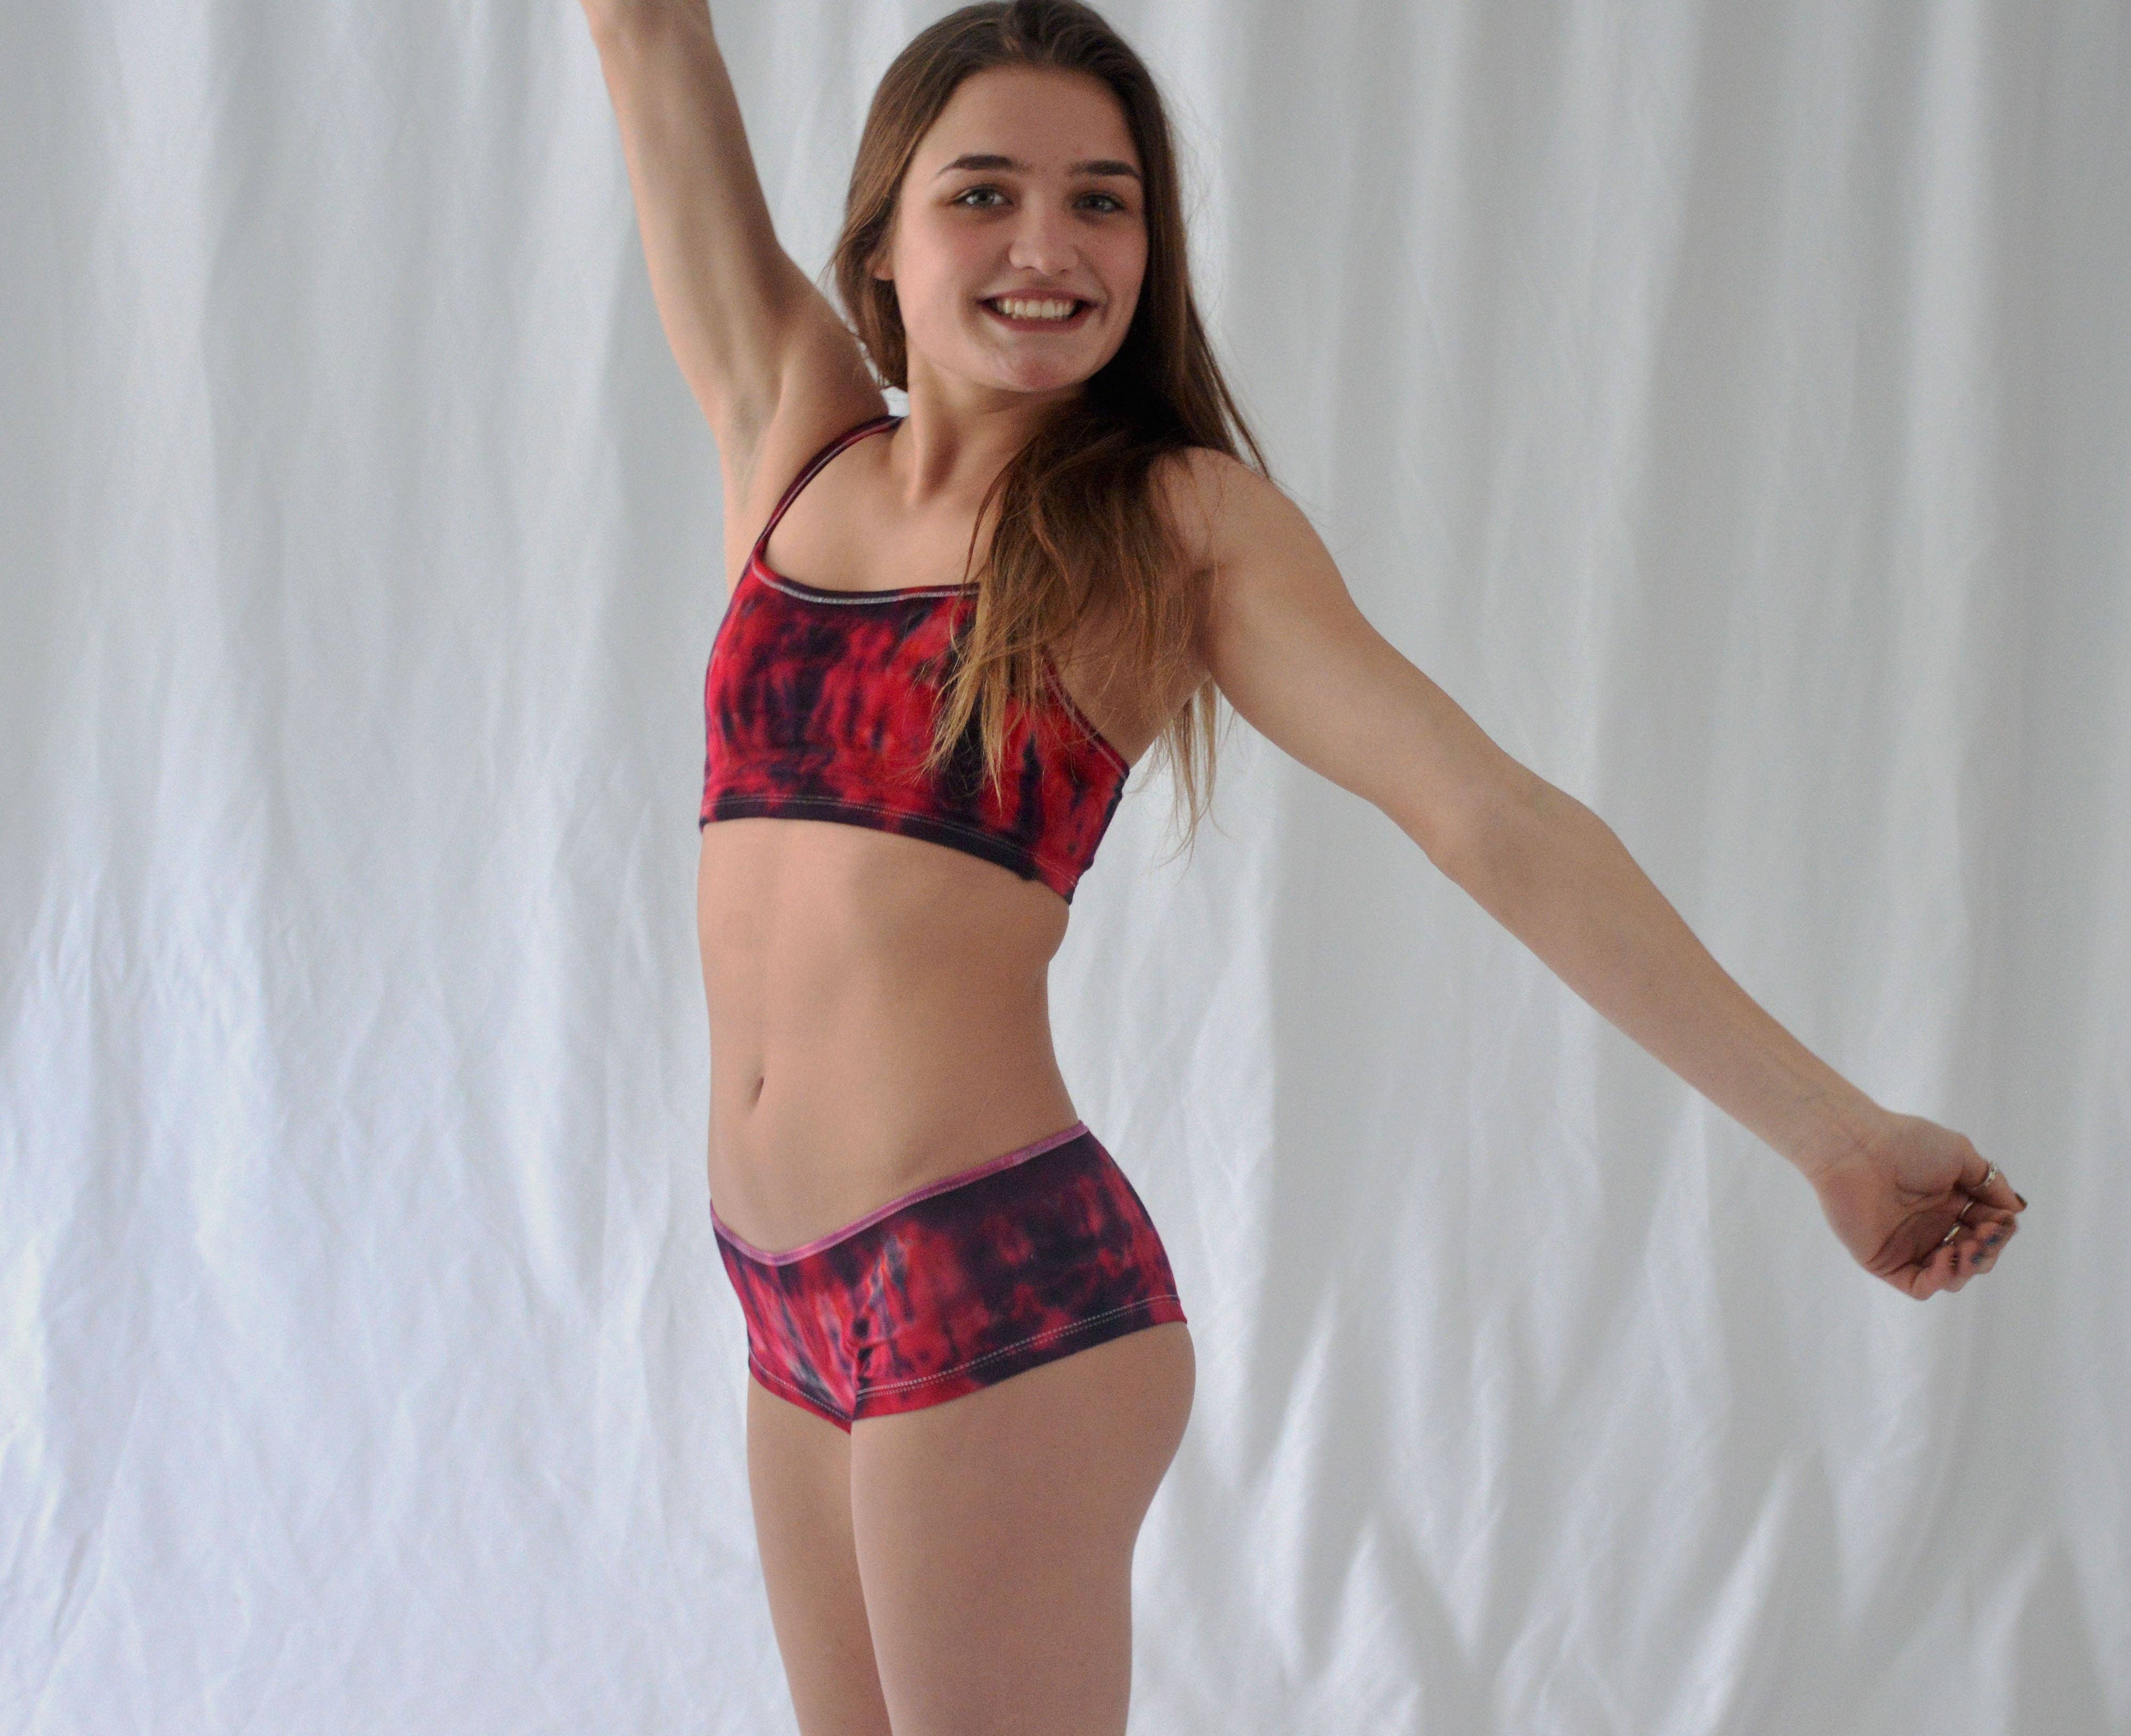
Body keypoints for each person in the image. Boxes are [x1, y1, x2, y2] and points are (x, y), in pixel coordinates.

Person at [578, 3, 2027, 1730]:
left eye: (1103, 201)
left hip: (992, 1287)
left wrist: (1839, 1135)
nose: (1047, 246)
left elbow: (1487, 817)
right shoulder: (791, 431)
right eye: (983, 194)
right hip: (782, 1300)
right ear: (881, 240)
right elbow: (644, 32)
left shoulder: (1174, 526)